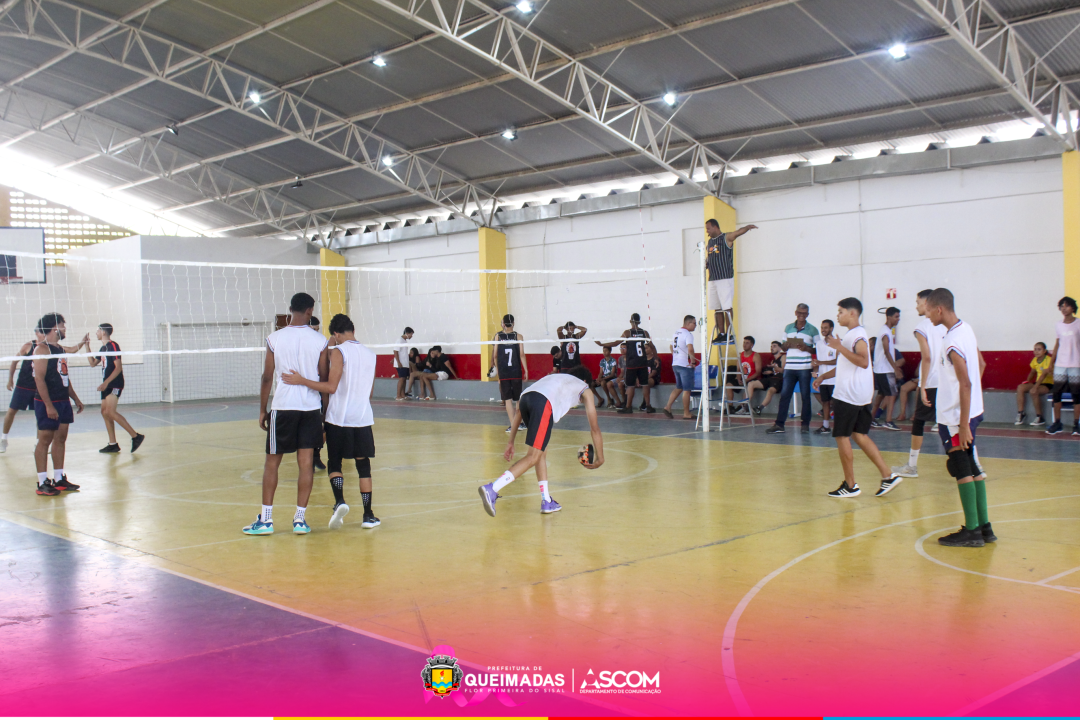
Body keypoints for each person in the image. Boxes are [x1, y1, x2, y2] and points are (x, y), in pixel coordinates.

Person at [281, 313, 379, 531]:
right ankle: (368, 515)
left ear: (335, 334)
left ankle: (340, 501)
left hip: (339, 418)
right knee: (363, 466)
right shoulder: (371, 355)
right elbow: (369, 392)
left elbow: (331, 387)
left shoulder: (339, 352)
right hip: (362, 418)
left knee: (335, 463)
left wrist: (301, 380)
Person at [243, 292, 329, 536]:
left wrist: (262, 409)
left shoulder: (274, 338)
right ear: (310, 310)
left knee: (272, 463)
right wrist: (324, 413)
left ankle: (267, 520)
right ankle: (300, 520)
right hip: (310, 409)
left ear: (290, 309)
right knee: (306, 464)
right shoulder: (320, 341)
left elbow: (267, 377)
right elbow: (323, 378)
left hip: (283, 408)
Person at [479, 366, 603, 517]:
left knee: (541, 451)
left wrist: (511, 441)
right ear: (585, 381)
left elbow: (518, 411)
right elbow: (594, 428)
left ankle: (546, 501)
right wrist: (600, 458)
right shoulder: (584, 388)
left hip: (525, 400)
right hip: (543, 403)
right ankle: (492, 488)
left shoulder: (556, 379)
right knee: (533, 456)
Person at [812, 298, 902, 498]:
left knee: (842, 436)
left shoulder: (857, 335)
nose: (838, 315)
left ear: (852, 313)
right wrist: (824, 376)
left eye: (841, 311)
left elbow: (862, 361)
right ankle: (888, 475)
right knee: (859, 435)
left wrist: (838, 346)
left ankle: (850, 485)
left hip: (849, 395)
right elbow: (846, 363)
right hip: (860, 394)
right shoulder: (852, 335)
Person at [925, 288, 993, 547]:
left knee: (960, 468)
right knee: (973, 467)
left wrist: (962, 424)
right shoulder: (967, 329)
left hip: (956, 417)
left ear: (939, 309)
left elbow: (965, 383)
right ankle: (985, 527)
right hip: (970, 411)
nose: (928, 315)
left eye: (929, 310)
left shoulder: (951, 341)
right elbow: (981, 365)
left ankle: (972, 532)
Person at [3, 328, 87, 454]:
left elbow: (71, 350)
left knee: (40, 414)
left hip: (39, 387)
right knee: (11, 411)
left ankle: (38, 442)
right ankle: (4, 438)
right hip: (24, 385)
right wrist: (10, 379)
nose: (43, 335)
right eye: (40, 332)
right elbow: (14, 361)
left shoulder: (52, 348)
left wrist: (82, 342)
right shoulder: (29, 346)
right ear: (37, 334)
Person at [891, 290, 947, 479]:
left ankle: (912, 466)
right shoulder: (947, 325)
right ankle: (975, 464)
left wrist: (922, 385)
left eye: (917, 302)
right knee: (956, 423)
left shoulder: (923, 326)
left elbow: (927, 357)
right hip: (948, 381)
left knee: (919, 422)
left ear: (927, 302)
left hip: (931, 382)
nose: (916, 306)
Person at [31, 313, 86, 496]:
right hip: (48, 401)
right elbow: (39, 379)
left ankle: (59, 478)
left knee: (60, 439)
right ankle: (42, 482)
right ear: (55, 328)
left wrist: (75, 398)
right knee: (45, 440)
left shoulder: (59, 349)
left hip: (62, 400)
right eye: (63, 325)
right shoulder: (42, 350)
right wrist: (48, 405)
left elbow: (64, 377)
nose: (65, 328)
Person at [85, 323, 144, 454]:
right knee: (104, 412)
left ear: (103, 332)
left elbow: (118, 368)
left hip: (114, 383)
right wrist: (87, 346)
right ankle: (113, 444)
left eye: (97, 330)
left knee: (110, 411)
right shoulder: (103, 348)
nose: (96, 333)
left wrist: (106, 383)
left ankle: (136, 436)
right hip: (107, 383)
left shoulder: (113, 346)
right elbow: (92, 363)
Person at [766, 304, 818, 434]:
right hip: (789, 367)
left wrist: (806, 348)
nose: (802, 315)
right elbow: (783, 348)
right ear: (796, 313)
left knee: (805, 396)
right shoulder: (788, 328)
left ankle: (805, 424)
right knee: (785, 396)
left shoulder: (813, 330)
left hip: (805, 368)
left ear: (808, 314)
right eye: (800, 312)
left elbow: (818, 349)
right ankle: (779, 424)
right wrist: (786, 346)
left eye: (805, 313)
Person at [705, 219, 758, 344]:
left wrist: (747, 227)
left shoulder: (726, 237)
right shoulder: (709, 242)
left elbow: (738, 232)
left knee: (726, 307)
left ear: (715, 227)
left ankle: (729, 333)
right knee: (716, 308)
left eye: (708, 228)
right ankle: (721, 333)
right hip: (713, 278)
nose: (707, 231)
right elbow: (710, 258)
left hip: (725, 278)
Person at [599, 314, 652, 414]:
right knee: (645, 384)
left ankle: (628, 407)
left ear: (630, 322)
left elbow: (615, 343)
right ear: (639, 322)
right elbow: (651, 345)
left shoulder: (628, 332)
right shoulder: (644, 332)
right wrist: (656, 357)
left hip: (632, 362)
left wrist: (603, 344)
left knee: (630, 386)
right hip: (642, 362)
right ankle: (648, 406)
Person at [1046, 296, 1080, 436]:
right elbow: (1057, 344)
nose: (1063, 308)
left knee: (1076, 395)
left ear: (1073, 308)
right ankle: (1057, 423)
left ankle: (1076, 424)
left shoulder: (1078, 324)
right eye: (1061, 306)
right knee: (1057, 394)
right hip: (1060, 364)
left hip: (1075, 364)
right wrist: (1051, 363)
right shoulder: (1058, 325)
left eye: (1066, 305)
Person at [491, 314, 529, 432]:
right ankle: (518, 423)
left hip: (504, 372)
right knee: (518, 399)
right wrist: (526, 370)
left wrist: (498, 371)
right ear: (513, 323)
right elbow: (522, 354)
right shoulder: (519, 336)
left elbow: (495, 355)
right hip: (515, 370)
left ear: (503, 323)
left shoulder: (498, 336)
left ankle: (513, 425)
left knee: (507, 400)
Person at [869, 307, 902, 431]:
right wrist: (896, 369)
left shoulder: (885, 330)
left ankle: (871, 418)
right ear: (889, 317)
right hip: (885, 369)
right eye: (896, 317)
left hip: (880, 369)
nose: (898, 319)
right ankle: (888, 421)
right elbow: (887, 351)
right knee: (892, 394)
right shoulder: (885, 332)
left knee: (881, 394)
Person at [663, 315, 698, 420]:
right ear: (688, 323)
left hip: (676, 363)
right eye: (694, 323)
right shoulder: (688, 334)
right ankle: (686, 413)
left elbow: (671, 346)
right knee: (687, 390)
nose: (695, 326)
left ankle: (668, 406)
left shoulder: (676, 333)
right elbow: (690, 349)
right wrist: (693, 362)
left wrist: (676, 356)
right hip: (684, 365)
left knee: (679, 387)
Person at [1015, 342, 1053, 426]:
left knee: (1033, 391)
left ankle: (1040, 417)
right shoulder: (1034, 360)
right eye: (1035, 349)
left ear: (1044, 351)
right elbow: (1032, 372)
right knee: (1020, 387)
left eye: (1039, 349)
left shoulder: (1048, 360)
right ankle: (1021, 413)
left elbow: (1043, 375)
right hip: (1037, 383)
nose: (1036, 351)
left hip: (1047, 384)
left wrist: (1035, 387)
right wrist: (1027, 381)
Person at [811, 320, 837, 435]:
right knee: (825, 402)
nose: (823, 330)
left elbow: (837, 361)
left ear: (831, 328)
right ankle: (826, 426)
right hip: (823, 378)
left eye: (826, 328)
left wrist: (821, 362)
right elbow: (818, 361)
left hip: (835, 378)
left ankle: (839, 426)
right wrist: (815, 371)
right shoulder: (819, 344)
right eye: (822, 327)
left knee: (836, 403)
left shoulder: (838, 343)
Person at [726, 335, 760, 415]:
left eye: (747, 343)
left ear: (752, 345)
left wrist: (746, 380)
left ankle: (743, 407)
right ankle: (730, 407)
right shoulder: (740, 355)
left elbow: (758, 372)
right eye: (744, 342)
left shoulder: (756, 356)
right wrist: (738, 379)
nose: (744, 345)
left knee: (747, 388)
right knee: (728, 385)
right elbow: (738, 369)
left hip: (751, 379)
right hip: (742, 378)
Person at [750, 341, 784, 415]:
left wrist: (775, 368)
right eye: (771, 346)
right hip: (771, 378)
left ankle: (760, 408)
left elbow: (783, 370)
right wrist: (770, 372)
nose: (772, 348)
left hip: (779, 379)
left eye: (774, 346)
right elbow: (773, 371)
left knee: (770, 391)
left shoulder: (783, 357)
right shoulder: (773, 361)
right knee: (751, 384)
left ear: (780, 348)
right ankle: (745, 406)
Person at [597, 344, 622, 409]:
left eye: (606, 351)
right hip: (604, 377)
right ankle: (600, 398)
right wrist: (599, 377)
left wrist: (603, 379)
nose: (604, 352)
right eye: (603, 351)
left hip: (611, 377)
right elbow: (600, 372)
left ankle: (609, 399)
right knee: (591, 384)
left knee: (603, 383)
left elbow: (613, 374)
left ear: (610, 351)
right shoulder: (602, 361)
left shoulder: (613, 361)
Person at [393, 326, 414, 401]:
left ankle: (402, 395)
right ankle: (398, 395)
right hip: (401, 364)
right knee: (401, 379)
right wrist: (398, 362)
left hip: (405, 363)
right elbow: (395, 351)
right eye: (411, 334)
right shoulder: (399, 340)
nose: (411, 336)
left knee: (404, 379)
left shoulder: (404, 341)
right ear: (407, 333)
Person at [643, 344, 661, 411]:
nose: (644, 350)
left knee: (646, 383)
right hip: (643, 378)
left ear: (651, 349)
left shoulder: (655, 359)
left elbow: (654, 372)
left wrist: (643, 379)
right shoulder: (642, 359)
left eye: (646, 348)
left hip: (654, 378)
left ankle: (646, 404)